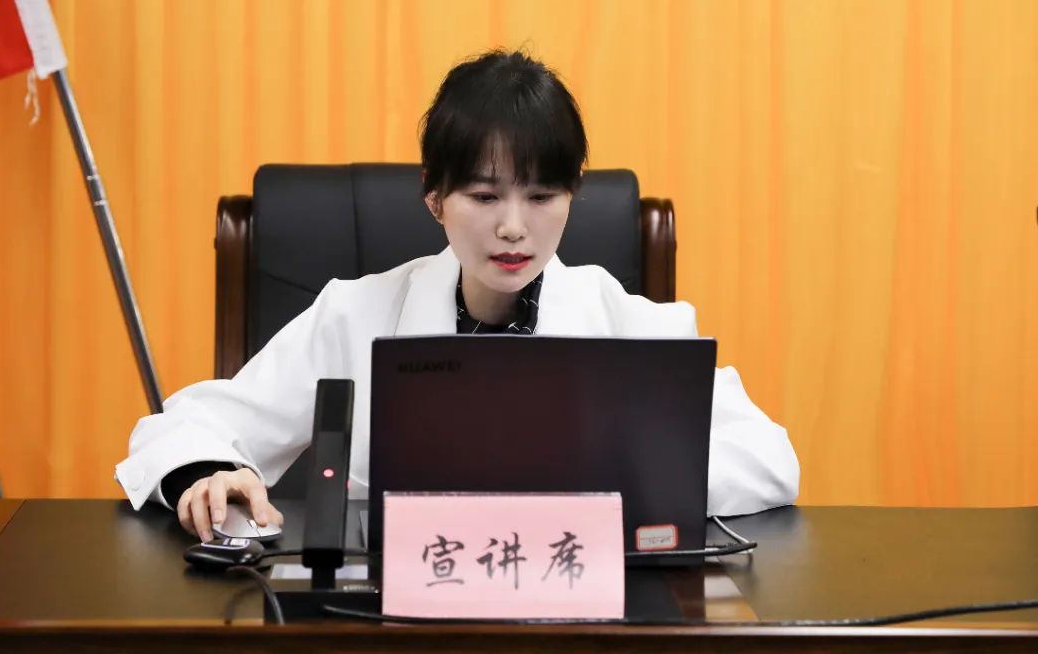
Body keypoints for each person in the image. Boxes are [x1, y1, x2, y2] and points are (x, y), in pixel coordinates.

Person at [116, 50, 799, 542]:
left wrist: (615, 479)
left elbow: (769, 459)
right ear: (434, 196)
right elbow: (186, 426)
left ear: (573, 197)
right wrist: (212, 474)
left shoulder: (629, 324)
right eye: (484, 195)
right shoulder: (356, 315)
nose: (514, 227)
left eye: (542, 196)